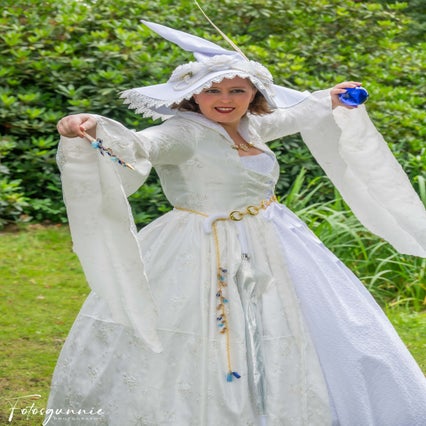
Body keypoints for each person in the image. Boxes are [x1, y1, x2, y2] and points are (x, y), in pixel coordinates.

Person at [47, 20, 426, 426]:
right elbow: (143, 144)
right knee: (203, 332)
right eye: (212, 90)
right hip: (201, 242)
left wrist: (328, 99)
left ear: (253, 95)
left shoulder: (252, 125)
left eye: (237, 91)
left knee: (314, 324)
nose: (224, 100)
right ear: (193, 94)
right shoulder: (184, 132)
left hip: (276, 238)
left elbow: (295, 115)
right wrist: (91, 127)